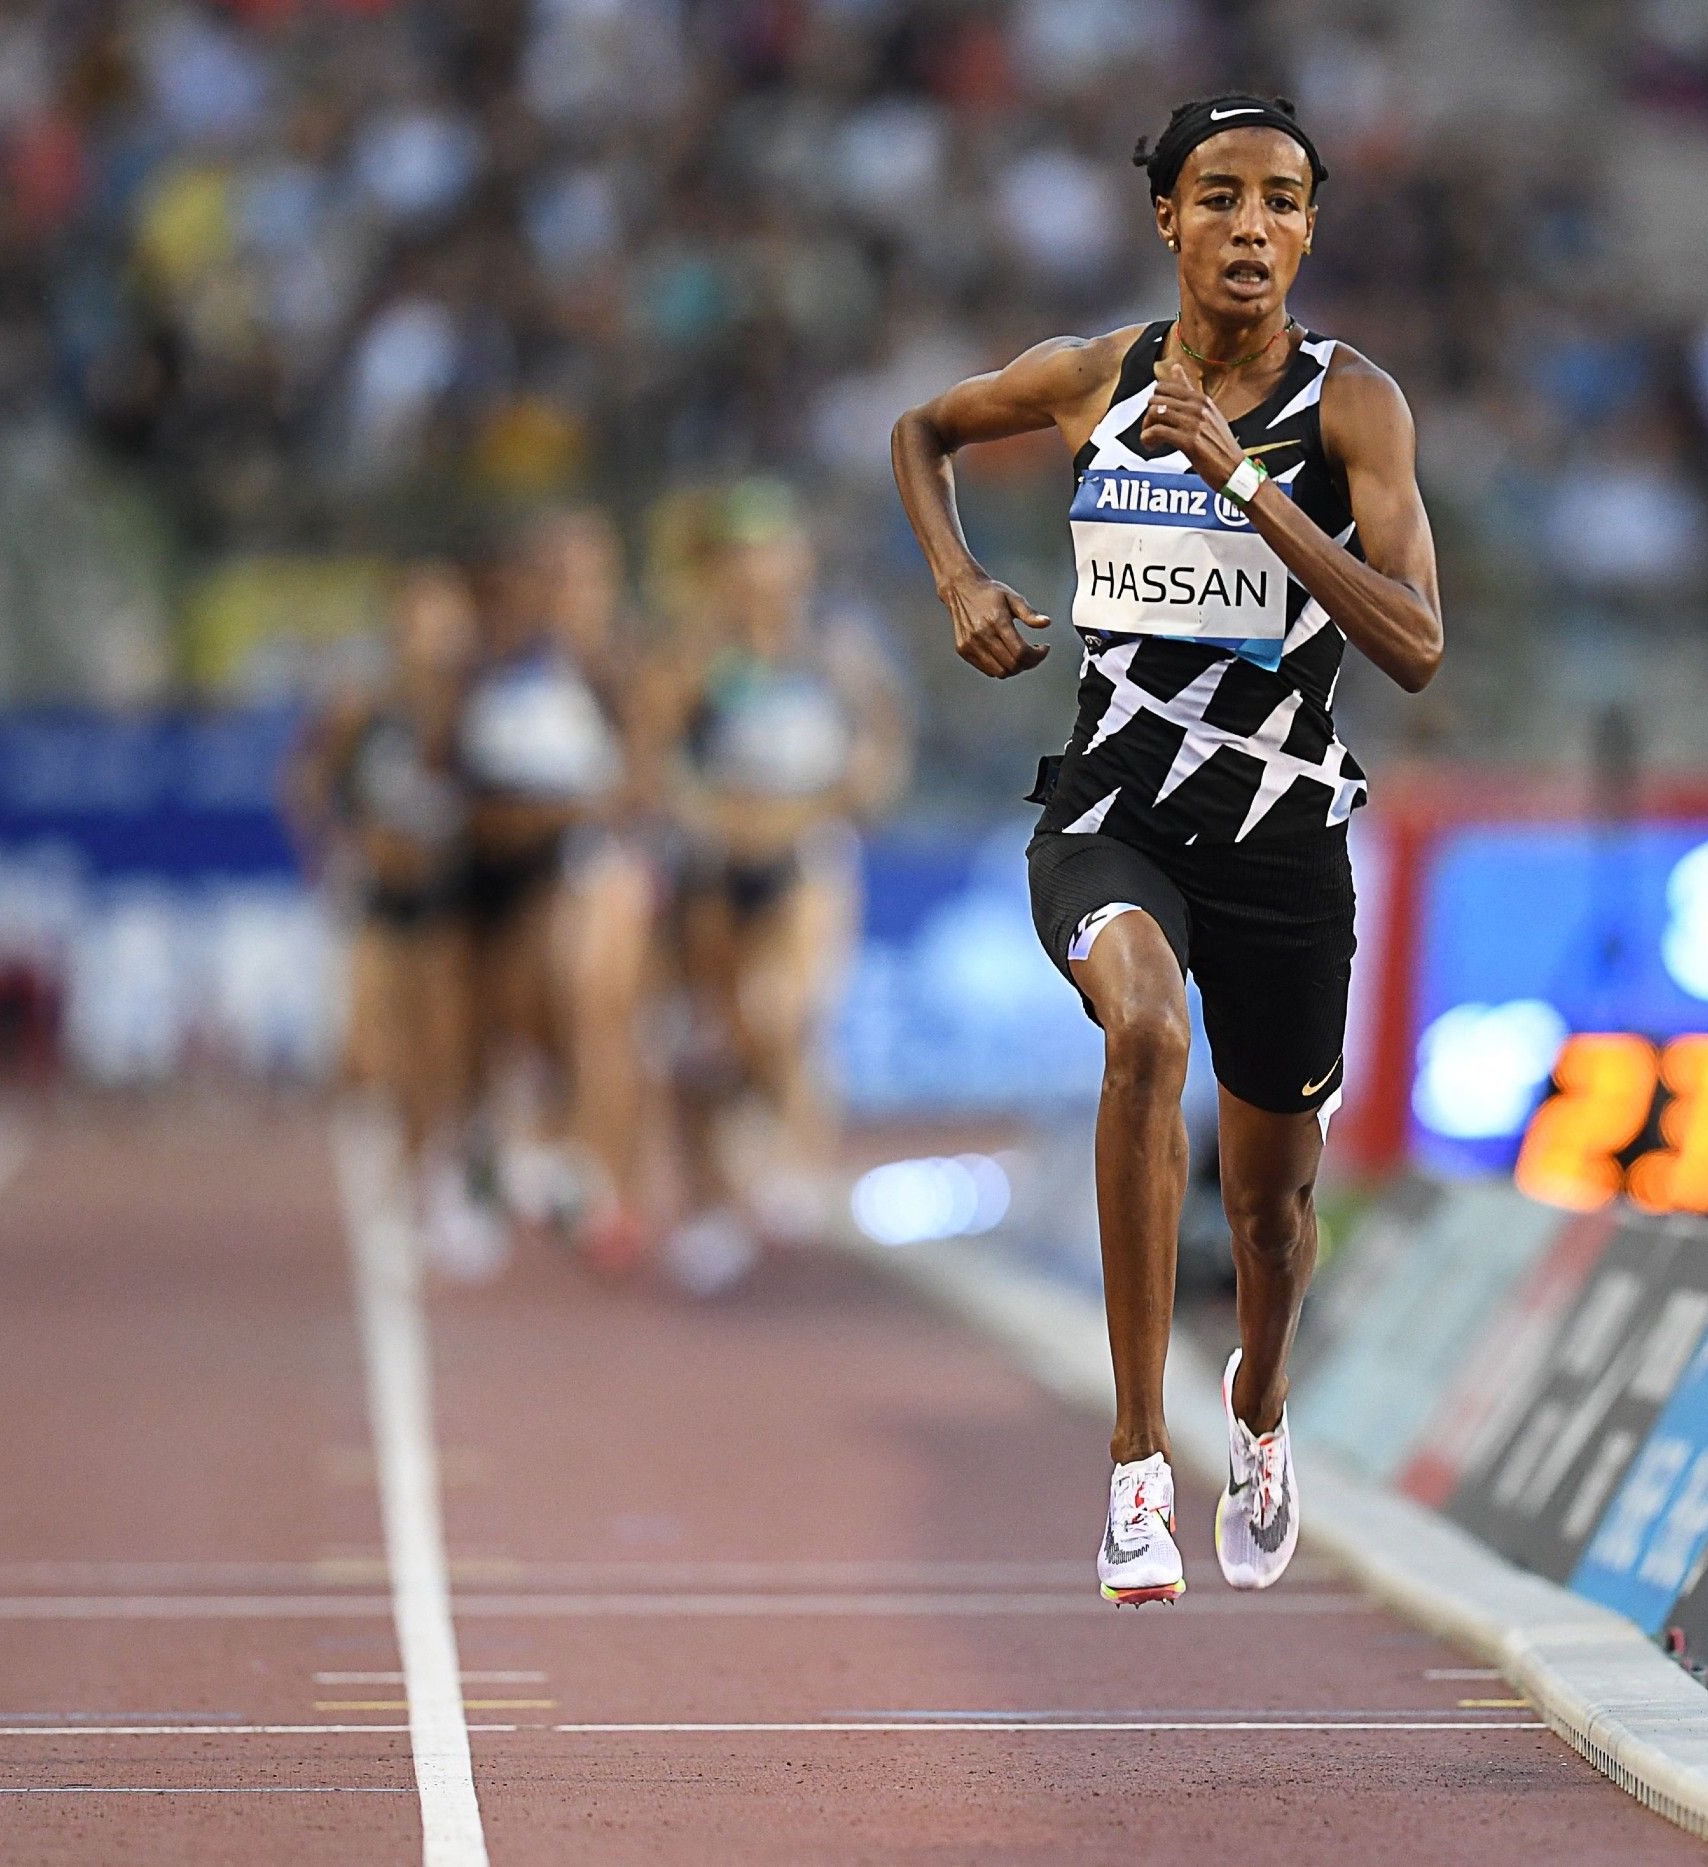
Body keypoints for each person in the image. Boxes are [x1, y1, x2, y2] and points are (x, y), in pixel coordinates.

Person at [890, 95, 1443, 1603]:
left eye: (1279, 199)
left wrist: (1249, 486)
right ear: (1168, 220)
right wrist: (959, 580)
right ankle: (1138, 1460)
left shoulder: (1353, 407)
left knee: (1269, 1207)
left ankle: (1254, 1406)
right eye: (1218, 197)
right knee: (1143, 1029)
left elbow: (1415, 643)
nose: (1249, 225)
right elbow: (923, 431)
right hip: (1110, 809)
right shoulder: (1096, 378)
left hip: (1280, 840)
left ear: (1310, 227)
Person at [645, 483, 909, 1296]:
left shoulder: (837, 646)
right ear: (721, 570)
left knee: (780, 1012)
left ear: (800, 561)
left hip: (805, 853)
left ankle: (796, 1159)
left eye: (775, 554)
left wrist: (820, 805)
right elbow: (653, 762)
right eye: (744, 558)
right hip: (711, 865)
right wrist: (710, 812)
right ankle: (713, 1205)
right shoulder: (694, 654)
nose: (761, 574)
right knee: (705, 1040)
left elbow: (880, 760)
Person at [456, 507, 654, 1274]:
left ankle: (603, 1183)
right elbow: (451, 766)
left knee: (591, 1001)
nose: (562, 592)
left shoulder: (620, 662)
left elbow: (643, 775)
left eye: (578, 577)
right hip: (499, 862)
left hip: (591, 857)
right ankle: (508, 1159)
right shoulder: (491, 661)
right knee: (508, 1021)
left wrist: (569, 809)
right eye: (549, 576)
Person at [289, 561, 495, 1273]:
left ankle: (446, 1187)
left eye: (441, 625)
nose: (426, 639)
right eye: (413, 623)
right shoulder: (363, 706)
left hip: (452, 900)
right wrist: (335, 852)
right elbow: (307, 779)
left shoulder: (477, 707)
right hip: (381, 892)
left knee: (447, 1052)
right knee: (378, 1056)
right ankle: (416, 1178)